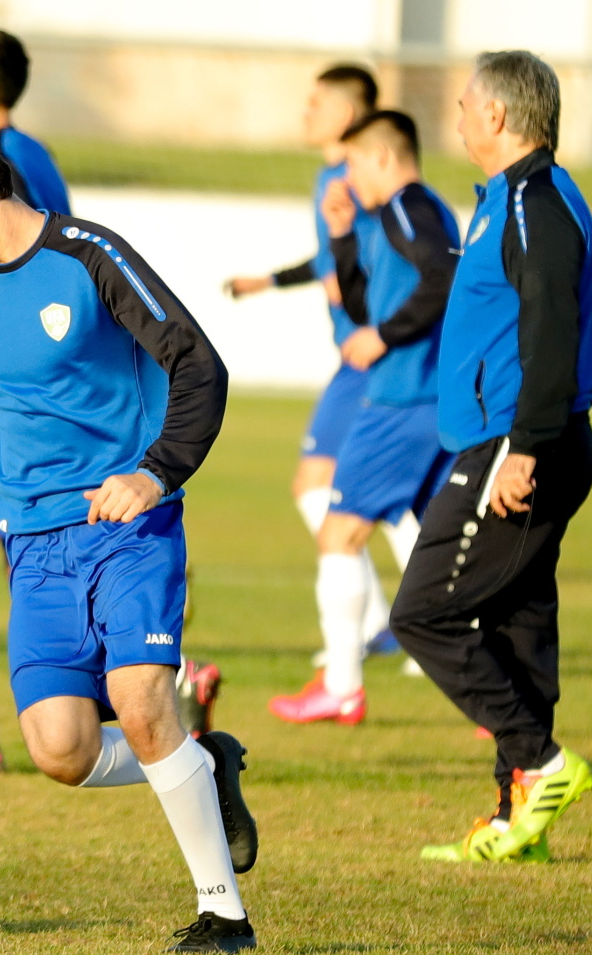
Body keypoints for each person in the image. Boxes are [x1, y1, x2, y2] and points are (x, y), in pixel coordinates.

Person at [0, 123, 258, 953]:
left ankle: (224, 912)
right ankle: (204, 766)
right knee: (62, 751)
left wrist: (155, 471)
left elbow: (198, 364)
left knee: (142, 706)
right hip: (33, 544)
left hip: (128, 528)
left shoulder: (91, 256)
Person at [0, 28, 221, 776]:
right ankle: (151, 700)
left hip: (43, 419)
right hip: (20, 407)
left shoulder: (10, 162)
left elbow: (39, 276)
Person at [389, 51, 592, 863]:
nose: (457, 114)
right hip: (521, 438)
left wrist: (521, 448)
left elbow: (551, 334)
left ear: (499, 117)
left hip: (517, 443)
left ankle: (543, 764)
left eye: (466, 103)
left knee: (423, 612)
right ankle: (520, 819)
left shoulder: (533, 205)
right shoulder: (509, 201)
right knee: (518, 626)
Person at [224, 65, 416, 677]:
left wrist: (352, 284)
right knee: (348, 492)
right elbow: (336, 254)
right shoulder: (333, 177)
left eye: (316, 104)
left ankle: (409, 623)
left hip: (373, 356)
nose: (305, 113)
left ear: (345, 114)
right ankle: (389, 623)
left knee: (334, 489)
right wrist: (273, 280)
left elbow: (370, 253)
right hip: (359, 353)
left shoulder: (357, 178)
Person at [268, 111, 458, 725]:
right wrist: (342, 234)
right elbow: (359, 299)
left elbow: (444, 276)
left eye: (351, 164)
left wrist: (385, 336)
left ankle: (343, 686)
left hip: (403, 402)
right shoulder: (392, 217)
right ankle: (493, 696)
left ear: (381, 157)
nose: (343, 176)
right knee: (441, 546)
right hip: (428, 403)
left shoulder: (408, 209)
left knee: (339, 534)